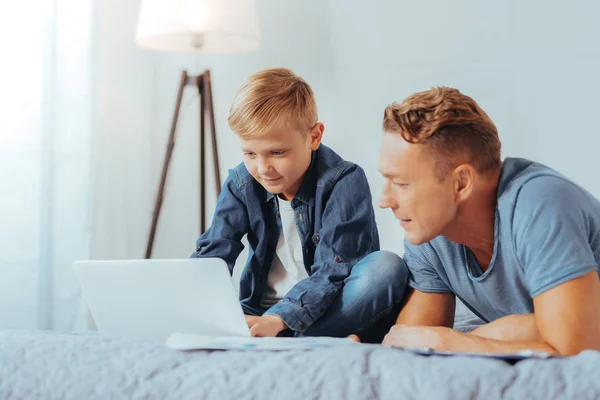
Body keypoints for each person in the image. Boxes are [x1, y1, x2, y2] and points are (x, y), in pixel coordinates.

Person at [378, 87, 600, 355]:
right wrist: (517, 330)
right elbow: (407, 343)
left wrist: (461, 339)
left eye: (401, 183)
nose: (384, 199)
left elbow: (579, 348)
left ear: (461, 183)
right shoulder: (430, 233)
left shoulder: (540, 204)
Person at [192, 68, 408, 342]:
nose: (262, 168)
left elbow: (334, 270)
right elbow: (215, 254)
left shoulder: (344, 180)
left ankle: (293, 337)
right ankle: (305, 339)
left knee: (386, 268)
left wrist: (279, 319)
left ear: (314, 136)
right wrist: (194, 306)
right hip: (260, 311)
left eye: (277, 152)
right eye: (249, 153)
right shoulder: (242, 182)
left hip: (327, 309)